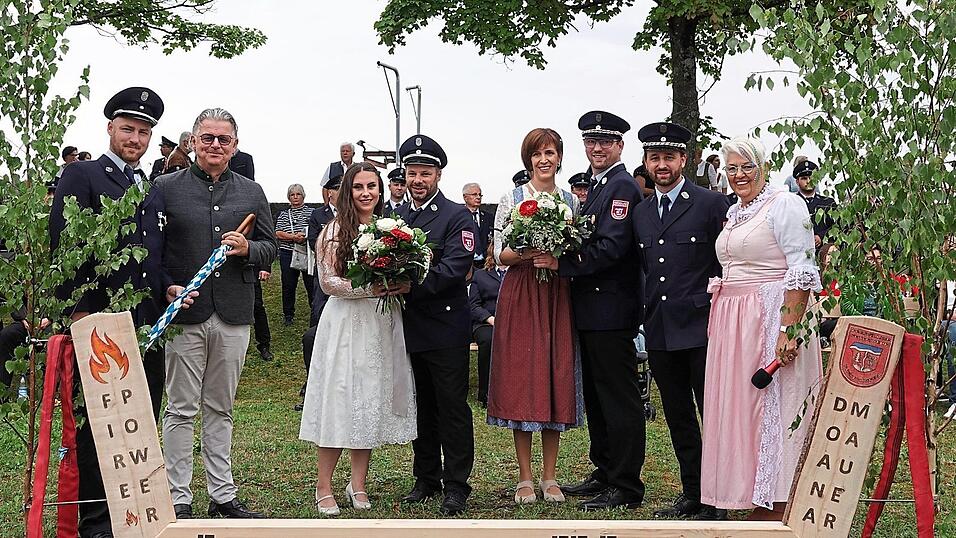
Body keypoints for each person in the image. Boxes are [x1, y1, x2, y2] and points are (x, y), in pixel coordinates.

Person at [49, 86, 170, 538]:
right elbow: (66, 246)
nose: (135, 138)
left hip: (146, 325)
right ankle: (97, 520)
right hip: (99, 324)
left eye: (143, 131)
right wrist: (79, 310)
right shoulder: (83, 176)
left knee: (141, 416)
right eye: (127, 129)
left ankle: (135, 511)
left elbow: (150, 256)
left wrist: (169, 287)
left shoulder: (149, 187)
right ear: (110, 129)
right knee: (98, 423)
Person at [155, 107, 277, 520]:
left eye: (223, 139)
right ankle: (178, 497)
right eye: (207, 138)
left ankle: (222, 495)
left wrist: (247, 251)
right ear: (192, 142)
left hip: (234, 314)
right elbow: (154, 254)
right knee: (180, 408)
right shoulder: (165, 188)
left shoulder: (252, 192)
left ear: (235, 146)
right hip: (185, 313)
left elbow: (270, 248)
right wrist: (167, 286)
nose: (215, 146)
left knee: (220, 408)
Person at [701, 137, 823, 520]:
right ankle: (753, 491)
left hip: (768, 315)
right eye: (732, 168)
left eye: (746, 167)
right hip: (734, 319)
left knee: (774, 405)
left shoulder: (784, 204)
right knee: (743, 408)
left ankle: (781, 498)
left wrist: (788, 329)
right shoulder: (737, 211)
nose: (739, 175)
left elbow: (801, 270)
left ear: (763, 168)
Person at [540, 111, 645, 511]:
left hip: (611, 309)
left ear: (620, 145)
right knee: (599, 398)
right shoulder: (601, 186)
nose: (597, 148)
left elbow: (612, 247)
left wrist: (561, 264)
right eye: (590, 142)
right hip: (591, 307)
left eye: (605, 142)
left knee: (618, 398)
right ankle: (605, 470)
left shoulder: (621, 187)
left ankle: (625, 484)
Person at [298, 162, 417, 515]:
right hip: (347, 323)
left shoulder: (390, 230)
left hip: (380, 323)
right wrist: (371, 286)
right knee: (340, 399)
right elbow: (328, 282)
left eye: (372, 186)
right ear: (347, 192)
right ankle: (324, 485)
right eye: (358, 187)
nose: (366, 193)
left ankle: (358, 483)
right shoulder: (335, 230)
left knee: (369, 399)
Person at [632, 122, 731, 520]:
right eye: (655, 158)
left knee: (713, 415)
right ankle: (693, 491)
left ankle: (718, 498)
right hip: (659, 328)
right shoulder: (640, 212)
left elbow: (728, 263)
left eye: (669, 157)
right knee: (678, 416)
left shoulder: (710, 204)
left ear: (684, 160)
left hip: (703, 327)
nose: (662, 165)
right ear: (646, 162)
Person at [487, 127, 583, 505]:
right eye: (537, 153)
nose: (544, 160)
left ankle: (550, 476)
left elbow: (575, 251)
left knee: (553, 374)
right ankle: (525, 476)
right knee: (523, 378)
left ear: (559, 157)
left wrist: (557, 257)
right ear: (527, 159)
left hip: (556, 294)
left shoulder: (570, 203)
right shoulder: (511, 198)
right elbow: (499, 254)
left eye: (551, 152)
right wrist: (531, 252)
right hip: (522, 291)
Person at [395, 134, 477, 516]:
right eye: (412, 173)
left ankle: (457, 484)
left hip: (445, 329)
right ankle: (426, 477)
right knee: (421, 407)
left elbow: (456, 268)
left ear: (438, 174)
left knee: (451, 408)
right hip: (410, 329)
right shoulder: (399, 218)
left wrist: (412, 284)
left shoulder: (456, 215)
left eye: (425, 172)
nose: (418, 180)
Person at [295, 171, 341, 411]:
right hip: (324, 283)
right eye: (335, 189)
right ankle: (312, 385)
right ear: (329, 193)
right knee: (316, 334)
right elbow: (314, 241)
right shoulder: (318, 215)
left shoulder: (359, 216)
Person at [275, 184, 316, 325]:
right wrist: (293, 237)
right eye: (292, 195)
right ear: (289, 197)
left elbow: (317, 229)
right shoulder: (284, 214)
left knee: (311, 284)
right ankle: (288, 315)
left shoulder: (312, 212)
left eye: (298, 194)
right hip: (288, 253)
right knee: (288, 285)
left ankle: (315, 311)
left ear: (303, 196)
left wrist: (305, 236)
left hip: (307, 253)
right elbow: (278, 233)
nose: (295, 197)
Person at [468, 244, 502, 408]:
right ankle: (486, 394)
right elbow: (473, 305)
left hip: (515, 322)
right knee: (489, 340)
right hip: (486, 323)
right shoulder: (481, 276)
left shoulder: (518, 275)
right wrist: (491, 319)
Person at [793, 160, 836, 250]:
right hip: (799, 253)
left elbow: (837, 226)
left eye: (811, 177)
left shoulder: (828, 203)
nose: (808, 181)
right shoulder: (791, 203)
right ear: (797, 181)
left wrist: (821, 236)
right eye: (804, 178)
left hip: (825, 254)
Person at [462, 182, 493, 268]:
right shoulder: (458, 217)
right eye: (474, 194)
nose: (478, 197)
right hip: (466, 264)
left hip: (486, 264)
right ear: (465, 197)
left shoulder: (489, 217)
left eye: (480, 195)